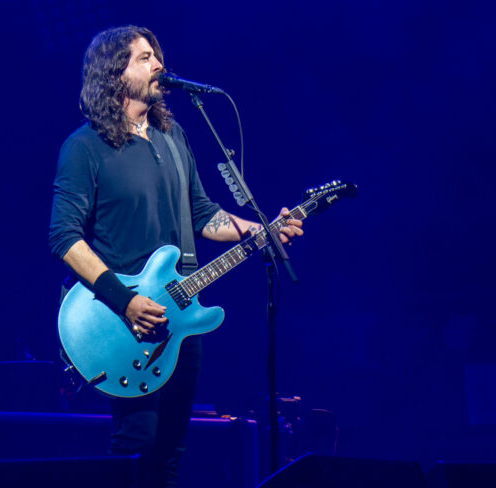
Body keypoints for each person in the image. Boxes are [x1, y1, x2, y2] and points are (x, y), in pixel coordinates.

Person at [49, 25, 303, 487]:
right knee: (134, 445)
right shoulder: (85, 147)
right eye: (144, 57)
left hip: (180, 317)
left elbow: (204, 214)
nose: (159, 65)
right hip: (124, 318)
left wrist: (261, 230)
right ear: (113, 73)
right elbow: (64, 239)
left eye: (158, 55)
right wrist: (123, 299)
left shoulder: (173, 136)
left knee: (170, 454)